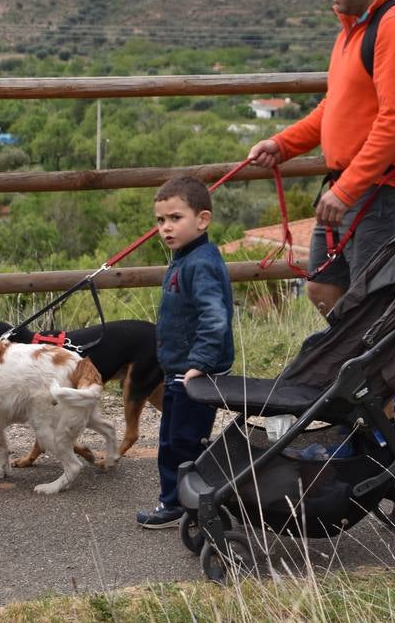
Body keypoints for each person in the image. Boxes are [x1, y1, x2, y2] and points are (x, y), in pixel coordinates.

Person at [247, 0, 395, 421]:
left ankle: (380, 419)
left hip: (382, 192)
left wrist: (349, 188)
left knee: (372, 311)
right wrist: (283, 143)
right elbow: (336, 106)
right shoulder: (353, 28)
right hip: (349, 187)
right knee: (325, 291)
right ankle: (379, 387)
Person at [135, 177, 234, 529]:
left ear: (202, 220)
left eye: (175, 218)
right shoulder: (185, 257)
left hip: (194, 372)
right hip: (179, 369)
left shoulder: (200, 263)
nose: (165, 228)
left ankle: (182, 505)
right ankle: (180, 501)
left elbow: (215, 316)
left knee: (182, 442)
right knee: (173, 438)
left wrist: (200, 364)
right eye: (160, 221)